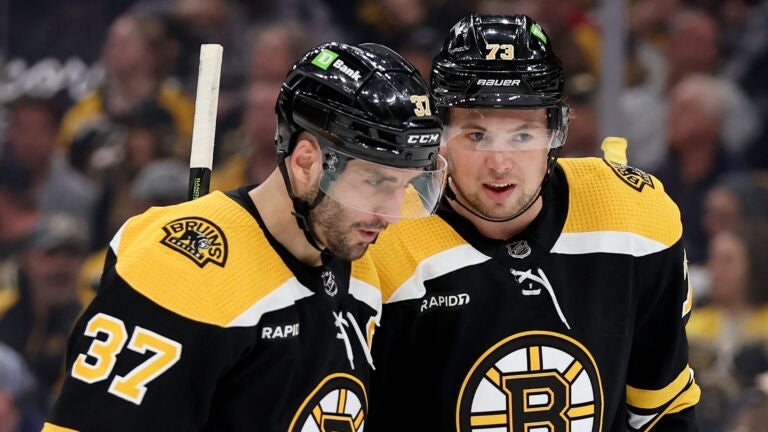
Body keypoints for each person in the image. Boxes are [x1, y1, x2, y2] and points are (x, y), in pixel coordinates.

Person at [42, 42, 447, 431]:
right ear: (307, 162)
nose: (394, 214)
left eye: (406, 185)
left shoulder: (359, 255)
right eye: (376, 182)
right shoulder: (185, 266)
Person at [367, 15, 701, 431]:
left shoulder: (634, 218)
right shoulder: (381, 238)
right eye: (476, 135)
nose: (500, 162)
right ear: (439, 134)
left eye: (523, 135)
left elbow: (662, 410)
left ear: (555, 132)